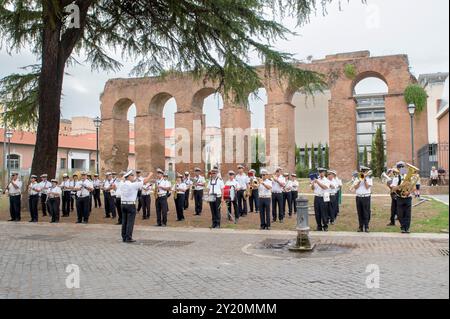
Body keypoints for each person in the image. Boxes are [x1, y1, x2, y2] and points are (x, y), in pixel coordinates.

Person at [120, 170, 154, 243]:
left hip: (123, 204)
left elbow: (122, 179)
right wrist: (150, 175)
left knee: (124, 221)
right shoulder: (133, 185)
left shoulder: (122, 184)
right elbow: (145, 181)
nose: (133, 177)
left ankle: (124, 237)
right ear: (128, 177)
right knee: (130, 222)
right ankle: (128, 237)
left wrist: (124, 177)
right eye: (132, 175)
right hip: (130, 205)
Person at [352, 166, 373, 233]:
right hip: (358, 197)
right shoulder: (357, 178)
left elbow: (367, 187)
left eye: (365, 172)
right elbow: (355, 187)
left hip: (366, 197)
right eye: (362, 172)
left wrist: (364, 179)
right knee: (360, 212)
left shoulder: (369, 178)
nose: (363, 173)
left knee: (366, 212)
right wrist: (359, 180)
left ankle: (366, 227)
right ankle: (360, 227)